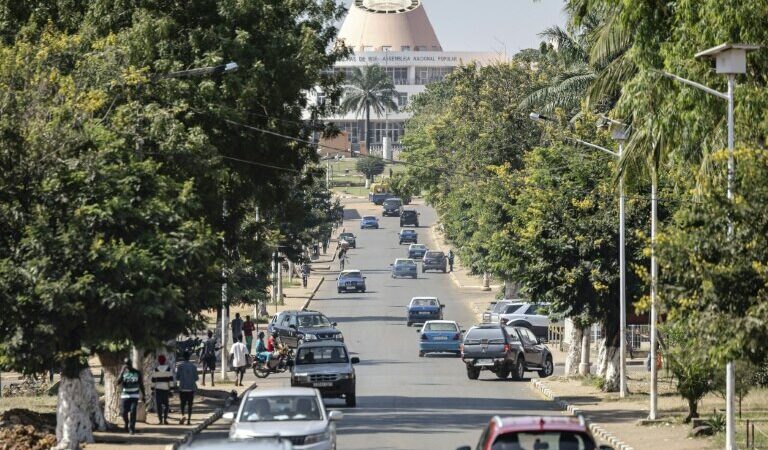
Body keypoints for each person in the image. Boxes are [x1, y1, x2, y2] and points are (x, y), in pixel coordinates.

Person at [117, 357, 146, 434]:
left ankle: (131, 428)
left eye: (128, 364)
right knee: (124, 412)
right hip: (125, 395)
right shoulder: (123, 372)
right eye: (126, 364)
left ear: (131, 364)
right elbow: (117, 382)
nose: (127, 366)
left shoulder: (137, 372)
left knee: (133, 411)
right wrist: (122, 371)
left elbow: (141, 385)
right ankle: (126, 423)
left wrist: (144, 395)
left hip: (134, 395)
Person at [151, 355, 174, 425]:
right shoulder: (168, 369)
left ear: (159, 361)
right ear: (165, 361)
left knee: (159, 405)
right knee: (166, 405)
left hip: (158, 389)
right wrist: (171, 390)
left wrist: (152, 390)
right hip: (166, 389)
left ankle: (160, 420)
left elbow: (153, 381)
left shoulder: (156, 370)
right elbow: (171, 381)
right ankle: (165, 419)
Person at [176, 351, 198, 425]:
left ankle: (183, 415)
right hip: (191, 388)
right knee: (190, 405)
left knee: (182, 403)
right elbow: (196, 378)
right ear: (189, 357)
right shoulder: (193, 366)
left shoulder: (180, 366)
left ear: (183, 357)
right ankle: (189, 420)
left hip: (182, 388)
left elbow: (177, 377)